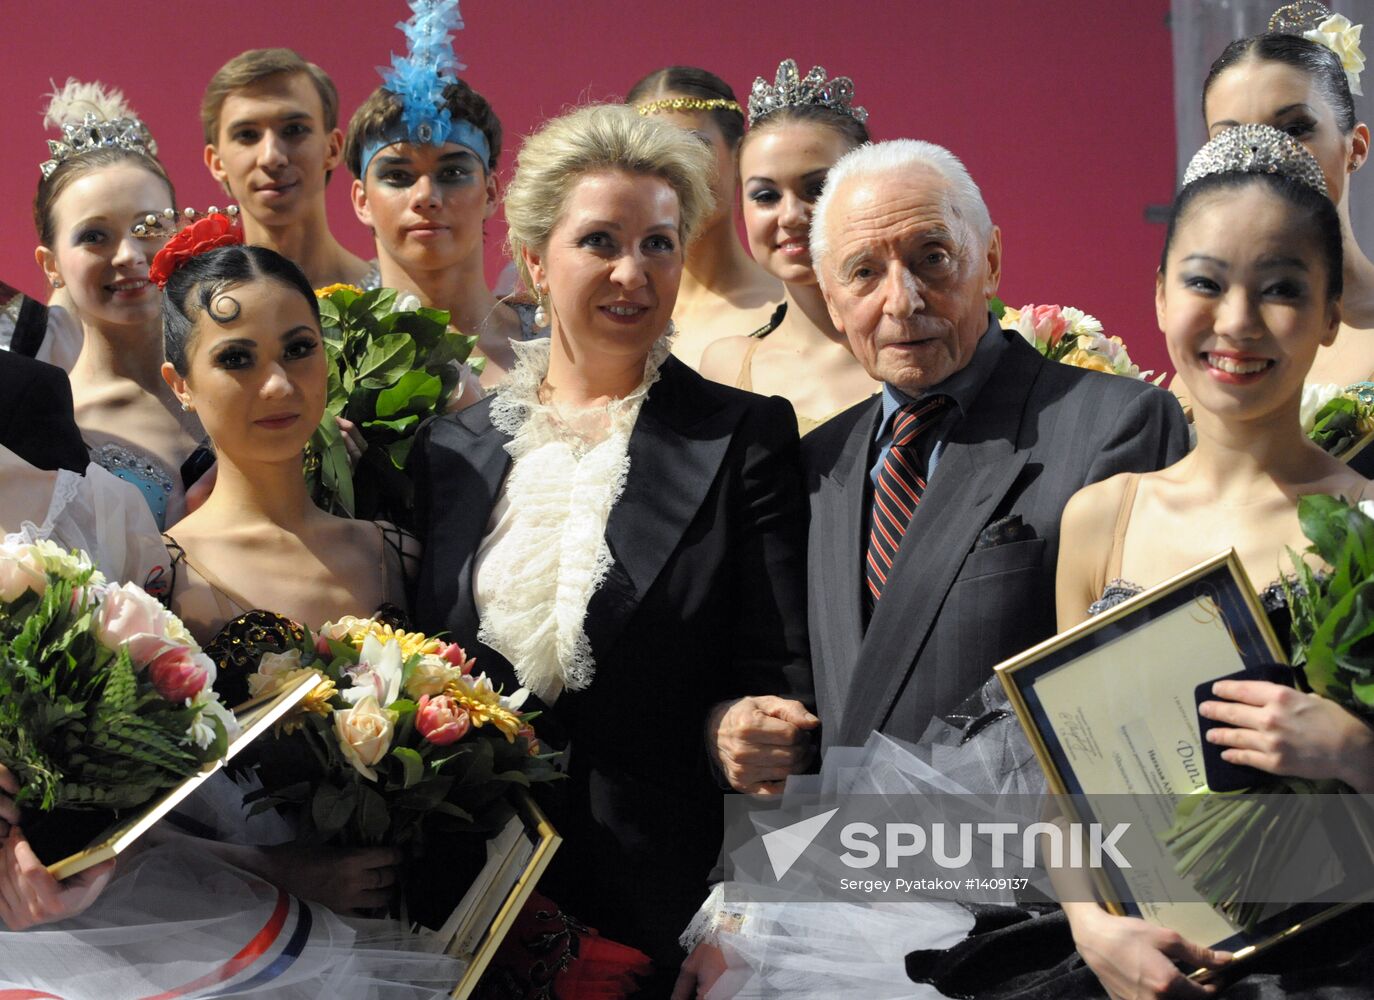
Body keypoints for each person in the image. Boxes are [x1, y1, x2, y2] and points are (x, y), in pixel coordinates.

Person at [412, 103, 811, 992]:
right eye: (600, 241)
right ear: (532, 262)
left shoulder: (742, 436)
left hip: (661, 914)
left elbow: (782, 677)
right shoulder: (451, 453)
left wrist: (732, 736)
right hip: (470, 914)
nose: (633, 272)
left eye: (660, 245)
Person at [1046, 124, 1374, 1000]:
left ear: (1331, 312)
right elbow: (1067, 786)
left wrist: (1355, 750)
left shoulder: (1368, 524)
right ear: (1158, 296)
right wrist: (1091, 928)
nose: (1236, 323)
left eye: (1280, 289)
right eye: (1205, 282)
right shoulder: (1102, 519)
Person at [33, 82, 207, 530]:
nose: (128, 254)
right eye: (94, 236)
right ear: (51, 264)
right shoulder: (52, 427)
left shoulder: (254, 376)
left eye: (148, 226)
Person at [344, 10, 540, 391]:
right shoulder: (324, 350)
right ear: (362, 200)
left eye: (451, 174)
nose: (425, 197)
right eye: (397, 176)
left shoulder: (559, 343)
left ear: (490, 192)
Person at [700, 58, 879, 435]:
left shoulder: (917, 348)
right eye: (766, 195)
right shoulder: (727, 367)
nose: (791, 216)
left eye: (816, 188)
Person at [1200, 5, 1372, 391]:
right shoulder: (1203, 343)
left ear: (1356, 148)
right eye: (1232, 139)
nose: (1266, 154)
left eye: (1295, 129)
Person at [627, 66, 783, 371]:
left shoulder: (792, 311)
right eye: (649, 151)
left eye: (693, 147)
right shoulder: (612, 307)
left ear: (740, 156)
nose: (673, 169)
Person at [202, 48, 373, 289]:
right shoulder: (196, 315)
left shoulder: (397, 305)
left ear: (333, 149)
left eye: (294, 130)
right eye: (248, 135)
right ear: (217, 163)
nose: (271, 157)